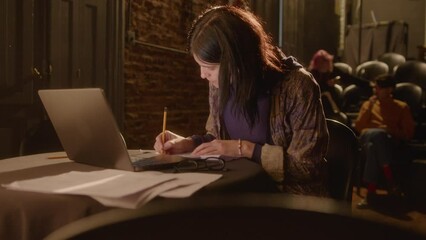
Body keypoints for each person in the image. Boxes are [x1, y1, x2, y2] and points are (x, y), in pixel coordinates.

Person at [153, 6, 329, 197]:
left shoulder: (298, 86)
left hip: (286, 200)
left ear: (236, 61)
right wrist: (190, 143)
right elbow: (218, 138)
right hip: (237, 191)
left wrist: (245, 149)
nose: (203, 75)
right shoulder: (220, 85)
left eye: (209, 68)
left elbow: (307, 167)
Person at [354, 74, 415, 208]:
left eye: (379, 88)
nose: (375, 90)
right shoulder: (368, 104)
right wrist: (369, 107)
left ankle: (370, 195)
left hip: (387, 143)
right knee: (375, 136)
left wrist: (389, 130)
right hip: (366, 137)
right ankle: (391, 181)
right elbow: (359, 127)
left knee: (373, 146)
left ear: (390, 89)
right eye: (375, 87)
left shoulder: (401, 107)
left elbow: (408, 134)